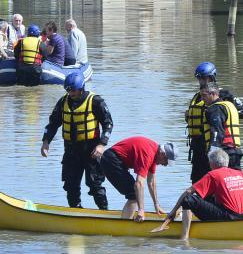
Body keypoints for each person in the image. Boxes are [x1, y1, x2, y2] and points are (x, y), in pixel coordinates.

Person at [41, 71, 113, 209]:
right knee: (70, 185)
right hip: (71, 151)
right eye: (67, 90)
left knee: (94, 184)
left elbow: (108, 124)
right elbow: (53, 123)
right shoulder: (63, 102)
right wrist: (45, 142)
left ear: (81, 89)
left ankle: (104, 212)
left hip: (92, 150)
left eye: (73, 90)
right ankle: (76, 211)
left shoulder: (96, 101)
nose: (70, 93)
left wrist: (102, 144)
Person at [163, 148, 243, 240]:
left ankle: (184, 237)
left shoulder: (213, 174)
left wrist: (172, 212)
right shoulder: (239, 173)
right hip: (241, 216)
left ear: (212, 164)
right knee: (208, 198)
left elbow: (188, 192)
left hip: (227, 218)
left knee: (188, 199)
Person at [186, 62, 243, 182]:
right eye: (199, 78)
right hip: (197, 146)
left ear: (211, 77)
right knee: (198, 181)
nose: (201, 81)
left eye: (203, 78)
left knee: (217, 180)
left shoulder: (223, 95)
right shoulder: (197, 97)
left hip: (215, 142)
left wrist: (219, 115)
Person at [100, 136, 175, 221]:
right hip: (110, 160)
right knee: (134, 194)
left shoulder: (155, 153)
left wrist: (156, 205)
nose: (165, 165)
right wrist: (141, 210)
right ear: (162, 154)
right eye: (166, 161)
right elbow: (139, 184)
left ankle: (126, 221)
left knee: (134, 194)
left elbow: (151, 183)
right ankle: (124, 228)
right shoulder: (148, 154)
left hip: (118, 161)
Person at [200, 82, 243, 169]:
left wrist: (212, 152)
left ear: (213, 94)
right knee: (234, 180)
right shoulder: (230, 105)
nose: (202, 99)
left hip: (223, 153)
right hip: (236, 152)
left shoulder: (215, 109)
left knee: (219, 180)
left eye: (204, 95)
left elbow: (217, 132)